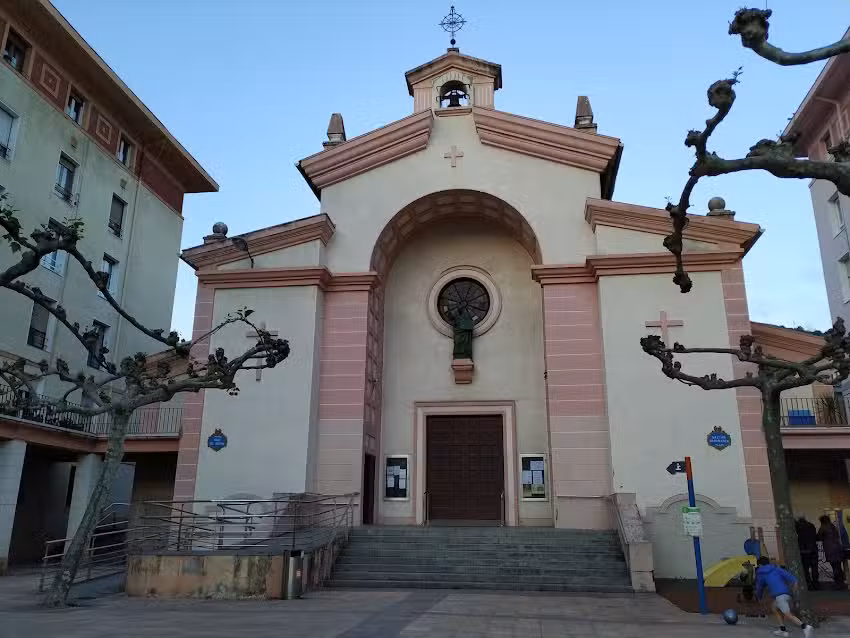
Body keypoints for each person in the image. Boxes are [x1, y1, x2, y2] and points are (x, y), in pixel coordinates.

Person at [754, 556, 813, 637]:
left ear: (760, 565)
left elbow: (759, 587)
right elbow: (793, 579)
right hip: (786, 593)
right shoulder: (777, 569)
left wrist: (758, 597)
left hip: (779, 596)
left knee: (788, 615)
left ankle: (805, 627)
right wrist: (793, 591)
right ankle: (782, 629)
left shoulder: (761, 573)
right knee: (774, 608)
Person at [818, 515, 847, 589]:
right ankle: (842, 582)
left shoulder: (823, 527)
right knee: (838, 566)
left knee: (835, 567)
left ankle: (838, 583)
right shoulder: (833, 526)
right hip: (837, 548)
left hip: (830, 550)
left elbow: (819, 536)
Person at [796, 516, 819, 590]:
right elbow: (815, 536)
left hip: (804, 550)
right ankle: (816, 582)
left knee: (805, 568)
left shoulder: (798, 527)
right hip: (813, 549)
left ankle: (808, 583)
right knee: (814, 567)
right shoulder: (811, 525)